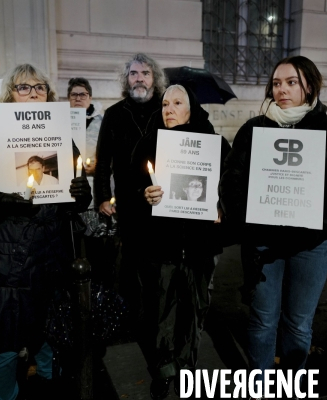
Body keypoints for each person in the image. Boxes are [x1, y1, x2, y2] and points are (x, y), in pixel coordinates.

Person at [219, 56, 327, 394]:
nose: (282, 89)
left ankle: (291, 382)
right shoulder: (254, 129)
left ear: (309, 85)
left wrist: (318, 222)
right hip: (263, 244)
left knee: (298, 324)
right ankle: (261, 385)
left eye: (291, 82)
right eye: (277, 83)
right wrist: (247, 219)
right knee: (263, 319)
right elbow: (231, 183)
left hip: (311, 247)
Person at [0, 63, 91, 400]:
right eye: (24, 87)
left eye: (39, 87)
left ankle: (51, 391)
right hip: (9, 258)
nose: (33, 93)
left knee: (50, 338)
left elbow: (78, 197)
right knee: (5, 344)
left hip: (53, 255)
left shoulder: (62, 137)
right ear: (10, 96)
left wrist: (81, 193)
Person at [131, 84, 231, 400]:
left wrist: (221, 207)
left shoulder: (215, 145)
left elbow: (230, 188)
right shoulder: (148, 144)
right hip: (160, 246)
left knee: (195, 310)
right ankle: (163, 370)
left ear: (191, 109)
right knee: (161, 310)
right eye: (164, 103)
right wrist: (142, 196)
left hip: (201, 246)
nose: (169, 108)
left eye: (177, 102)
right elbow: (132, 189)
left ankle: (187, 368)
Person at [94, 53, 167, 315]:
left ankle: (156, 313)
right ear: (126, 80)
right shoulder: (114, 114)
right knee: (131, 260)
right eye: (134, 74)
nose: (139, 79)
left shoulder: (166, 110)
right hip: (128, 201)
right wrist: (103, 196)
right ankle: (132, 313)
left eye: (145, 74)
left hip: (163, 199)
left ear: (154, 79)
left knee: (158, 262)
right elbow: (103, 161)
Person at [67, 77, 117, 284]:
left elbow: (112, 155)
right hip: (69, 194)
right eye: (74, 95)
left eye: (82, 94)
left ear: (90, 97)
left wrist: (98, 166)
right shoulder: (59, 120)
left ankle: (98, 294)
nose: (78, 98)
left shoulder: (102, 121)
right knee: (71, 249)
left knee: (96, 249)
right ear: (68, 98)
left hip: (94, 194)